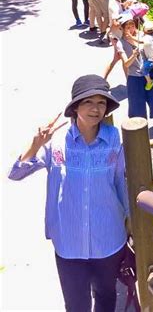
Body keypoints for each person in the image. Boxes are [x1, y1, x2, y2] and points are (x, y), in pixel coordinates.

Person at [8, 75, 128, 312]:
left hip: (108, 238)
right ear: (75, 107)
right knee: (76, 304)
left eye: (102, 103)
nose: (96, 109)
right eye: (88, 102)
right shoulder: (57, 143)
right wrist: (35, 144)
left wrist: (130, 221)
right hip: (68, 242)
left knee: (106, 297)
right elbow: (16, 174)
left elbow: (119, 182)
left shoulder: (114, 139)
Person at [116, 16, 153, 129]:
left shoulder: (141, 37)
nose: (131, 29)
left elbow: (151, 49)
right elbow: (126, 64)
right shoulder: (120, 43)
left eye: (132, 26)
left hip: (148, 71)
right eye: (127, 27)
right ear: (122, 29)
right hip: (134, 76)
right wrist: (134, 55)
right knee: (136, 103)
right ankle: (139, 127)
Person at [104, 0, 132, 81]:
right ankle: (103, 79)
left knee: (120, 59)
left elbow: (118, 7)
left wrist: (124, 6)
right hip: (117, 36)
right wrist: (126, 20)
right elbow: (115, 23)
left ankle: (128, 81)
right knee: (120, 59)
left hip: (117, 36)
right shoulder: (114, 6)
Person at [142, 20, 153, 91]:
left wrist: (130, 37)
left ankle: (149, 81)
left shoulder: (146, 38)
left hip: (150, 59)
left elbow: (141, 42)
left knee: (143, 69)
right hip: (151, 58)